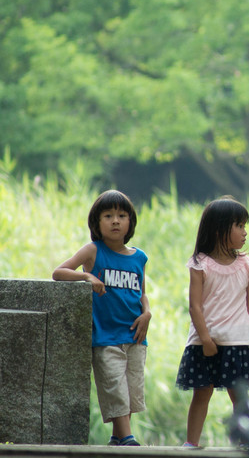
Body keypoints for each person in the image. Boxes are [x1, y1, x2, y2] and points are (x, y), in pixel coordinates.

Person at [53, 189, 151, 447]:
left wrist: (147, 313)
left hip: (135, 334)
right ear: (96, 222)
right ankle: (127, 439)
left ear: (131, 221)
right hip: (106, 335)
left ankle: (117, 438)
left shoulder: (139, 258)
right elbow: (59, 272)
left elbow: (142, 292)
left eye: (121, 215)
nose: (115, 221)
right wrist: (87, 276)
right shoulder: (93, 251)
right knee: (114, 387)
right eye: (108, 215)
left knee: (130, 390)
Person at [176, 196, 249, 448]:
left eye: (244, 225)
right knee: (202, 393)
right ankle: (191, 443)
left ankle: (247, 443)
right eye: (239, 225)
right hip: (204, 342)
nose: (245, 232)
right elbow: (194, 306)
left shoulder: (247, 266)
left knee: (238, 395)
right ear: (220, 229)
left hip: (239, 340)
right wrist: (206, 339)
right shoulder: (200, 264)